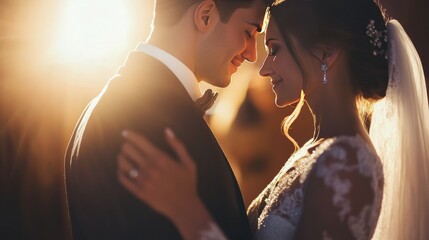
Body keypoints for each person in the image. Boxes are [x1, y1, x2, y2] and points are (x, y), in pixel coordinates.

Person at [116, 0, 429, 239]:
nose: (262, 68)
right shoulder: (315, 150)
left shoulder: (349, 162)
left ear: (326, 53)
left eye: (274, 50)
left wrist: (189, 213)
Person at [64, 0, 268, 239]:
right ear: (205, 16)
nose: (252, 54)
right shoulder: (146, 119)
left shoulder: (115, 104)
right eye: (248, 32)